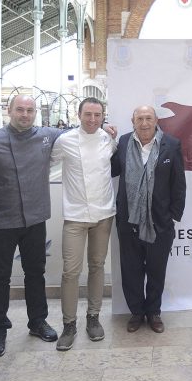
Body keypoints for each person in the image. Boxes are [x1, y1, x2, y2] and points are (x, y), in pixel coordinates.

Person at [0, 95, 63, 357]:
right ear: (9, 111)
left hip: (35, 218)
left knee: (35, 273)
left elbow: (79, 132)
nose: (25, 114)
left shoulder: (47, 135)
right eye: (20, 109)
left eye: (29, 110)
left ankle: (37, 322)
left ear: (36, 112)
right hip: (2, 221)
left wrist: (106, 128)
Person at [111, 105, 186, 334]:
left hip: (159, 223)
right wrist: (105, 140)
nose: (144, 123)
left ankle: (153, 312)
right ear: (132, 121)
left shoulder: (171, 145)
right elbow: (112, 170)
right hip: (128, 220)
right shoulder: (123, 143)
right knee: (131, 269)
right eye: (140, 118)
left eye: (148, 118)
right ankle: (136, 312)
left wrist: (172, 216)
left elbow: (179, 184)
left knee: (156, 269)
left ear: (156, 121)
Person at [50, 98, 117, 351]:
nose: (92, 119)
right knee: (71, 271)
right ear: (78, 115)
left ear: (103, 116)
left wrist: (112, 131)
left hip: (103, 214)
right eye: (87, 114)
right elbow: (47, 162)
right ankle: (69, 324)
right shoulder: (64, 140)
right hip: (76, 216)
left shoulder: (108, 139)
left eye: (97, 114)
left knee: (97, 266)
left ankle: (93, 317)